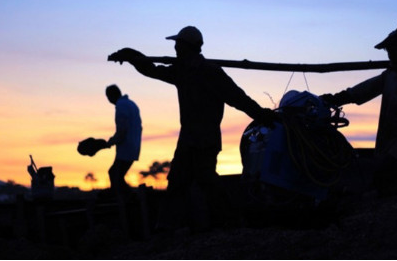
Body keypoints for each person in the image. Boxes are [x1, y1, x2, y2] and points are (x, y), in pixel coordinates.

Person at [108, 26, 275, 231]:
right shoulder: (183, 70)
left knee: (206, 182)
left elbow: (239, 99)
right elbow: (150, 69)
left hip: (204, 141)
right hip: (189, 140)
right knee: (179, 182)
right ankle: (168, 227)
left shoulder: (208, 73)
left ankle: (231, 224)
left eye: (178, 44)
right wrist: (131, 55)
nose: (175, 48)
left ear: (185, 47)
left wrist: (263, 115)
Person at [321, 24, 397, 196]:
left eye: (394, 50)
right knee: (388, 185)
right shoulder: (390, 76)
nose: (391, 55)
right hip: (387, 143)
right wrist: (336, 98)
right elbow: (364, 90)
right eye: (389, 51)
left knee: (387, 180)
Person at [104, 84, 142, 198]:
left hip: (127, 146)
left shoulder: (121, 106)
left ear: (111, 96)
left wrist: (112, 141)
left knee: (115, 174)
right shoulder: (131, 104)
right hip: (133, 146)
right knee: (116, 174)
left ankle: (126, 199)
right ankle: (125, 197)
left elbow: (122, 129)